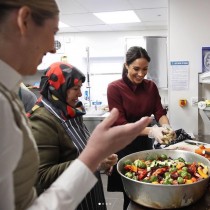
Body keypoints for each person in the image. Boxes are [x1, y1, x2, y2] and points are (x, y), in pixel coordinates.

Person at [0, 1, 151, 210]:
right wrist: (93, 158)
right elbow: (40, 181)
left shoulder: (10, 96)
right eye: (53, 32)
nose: (53, 47)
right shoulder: (33, 115)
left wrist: (96, 158)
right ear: (24, 21)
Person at [28, 61, 118, 210]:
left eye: (80, 88)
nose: (80, 94)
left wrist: (103, 158)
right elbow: (42, 176)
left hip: (89, 190)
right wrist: (92, 162)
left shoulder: (70, 110)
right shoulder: (42, 119)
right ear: (58, 88)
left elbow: (82, 149)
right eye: (75, 88)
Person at [107, 46, 174, 210]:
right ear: (126, 65)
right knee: (131, 195)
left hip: (145, 145)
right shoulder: (115, 88)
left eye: (145, 69)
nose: (141, 73)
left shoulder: (150, 87)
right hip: (124, 146)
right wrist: (152, 131)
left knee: (149, 185)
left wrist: (165, 126)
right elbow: (120, 124)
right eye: (136, 69)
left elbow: (159, 111)